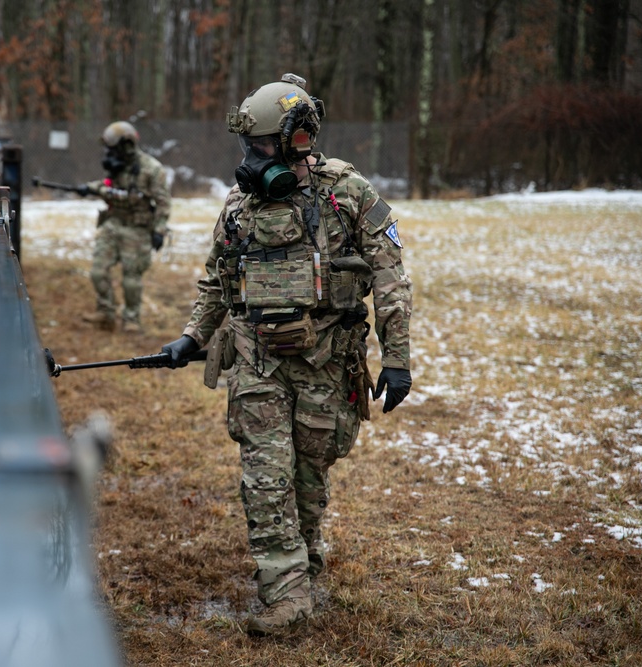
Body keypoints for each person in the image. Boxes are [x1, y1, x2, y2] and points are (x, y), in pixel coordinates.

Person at [160, 73, 413, 635]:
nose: (251, 160)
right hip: (257, 362)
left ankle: (305, 560)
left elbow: (391, 279)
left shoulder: (349, 194)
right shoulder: (239, 203)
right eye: (247, 147)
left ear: (299, 140)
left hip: (327, 359)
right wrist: (193, 336)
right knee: (265, 475)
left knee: (308, 473)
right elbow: (217, 280)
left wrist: (397, 358)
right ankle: (286, 591)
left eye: (262, 147)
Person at [79, 121, 172, 333]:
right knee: (97, 271)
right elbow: (108, 186)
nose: (108, 153)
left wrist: (159, 231)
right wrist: (89, 188)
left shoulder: (152, 169)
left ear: (126, 145)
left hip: (137, 229)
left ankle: (131, 319)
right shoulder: (116, 166)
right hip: (112, 223)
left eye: (112, 148)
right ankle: (106, 312)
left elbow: (163, 202)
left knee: (131, 279)